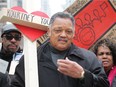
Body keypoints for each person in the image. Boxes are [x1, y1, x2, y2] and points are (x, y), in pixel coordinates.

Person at [11, 12, 109, 87]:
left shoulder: (89, 58)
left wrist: (83, 74)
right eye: (58, 30)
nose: (63, 35)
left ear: (74, 34)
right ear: (49, 32)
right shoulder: (31, 59)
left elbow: (104, 84)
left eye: (68, 31)